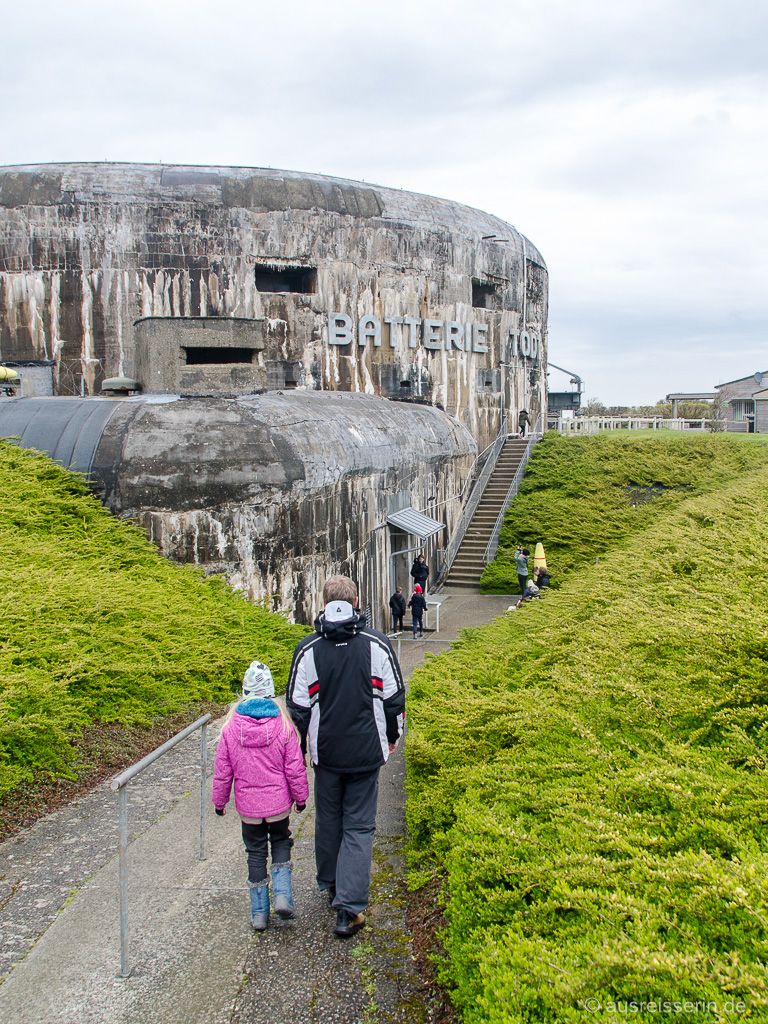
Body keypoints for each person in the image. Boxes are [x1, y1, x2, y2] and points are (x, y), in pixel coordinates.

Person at [286, 575, 405, 938]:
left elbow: (297, 708)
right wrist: (392, 737)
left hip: (327, 754)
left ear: (324, 603)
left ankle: (333, 885)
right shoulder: (377, 644)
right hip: (367, 751)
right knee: (359, 825)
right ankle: (349, 909)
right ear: (357, 601)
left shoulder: (308, 649)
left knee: (329, 819)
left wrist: (302, 747)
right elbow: (394, 700)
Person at [212, 661, 308, 931]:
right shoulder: (284, 725)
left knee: (254, 853)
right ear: (271, 693)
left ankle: (259, 914)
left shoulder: (230, 729)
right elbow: (294, 767)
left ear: (244, 693)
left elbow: (222, 772)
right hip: (278, 805)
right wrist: (300, 799)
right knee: (280, 842)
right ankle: (282, 896)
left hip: (249, 810)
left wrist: (220, 803)